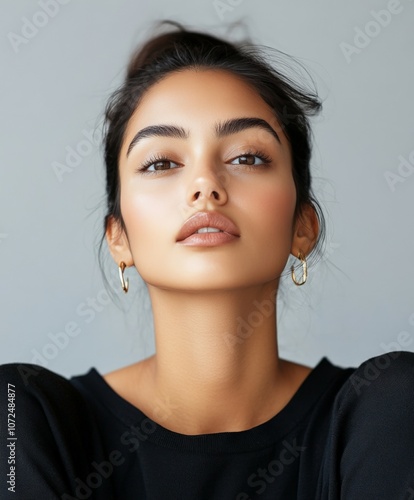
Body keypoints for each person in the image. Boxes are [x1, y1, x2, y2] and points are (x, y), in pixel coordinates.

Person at [1, 20, 414, 500]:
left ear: (303, 226)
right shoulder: (21, 416)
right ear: (119, 238)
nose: (205, 185)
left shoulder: (388, 412)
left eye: (247, 157)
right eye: (162, 163)